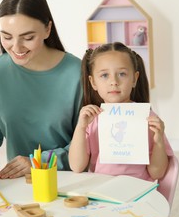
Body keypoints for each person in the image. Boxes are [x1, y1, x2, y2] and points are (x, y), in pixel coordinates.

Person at [0, 0, 82, 179]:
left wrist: (37, 161)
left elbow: (89, 143)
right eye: (7, 36)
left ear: (47, 29)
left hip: (71, 180)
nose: (16, 47)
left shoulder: (77, 73)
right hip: (19, 183)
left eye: (28, 37)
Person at [69, 42, 173, 181]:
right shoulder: (91, 119)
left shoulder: (147, 119)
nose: (114, 81)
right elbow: (76, 166)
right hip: (101, 191)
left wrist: (159, 141)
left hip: (138, 191)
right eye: (105, 75)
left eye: (122, 74)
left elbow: (157, 173)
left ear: (134, 79)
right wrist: (81, 128)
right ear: (93, 82)